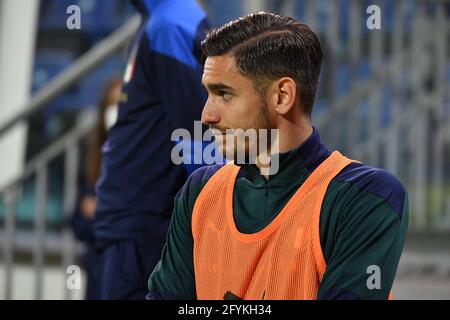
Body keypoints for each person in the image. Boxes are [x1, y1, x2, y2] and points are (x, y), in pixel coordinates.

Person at [147, 12, 409, 300]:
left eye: (224, 94)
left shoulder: (365, 196)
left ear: (283, 96)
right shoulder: (199, 191)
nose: (206, 115)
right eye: (208, 94)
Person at [94, 0, 210, 299]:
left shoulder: (170, 26)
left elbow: (198, 134)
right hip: (134, 220)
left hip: (144, 222)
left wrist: (220, 210)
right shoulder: (160, 21)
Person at [71, 77, 122, 300]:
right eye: (111, 104)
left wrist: (100, 211)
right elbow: (78, 222)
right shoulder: (96, 160)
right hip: (96, 269)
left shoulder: (141, 161)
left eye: (122, 103)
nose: (116, 111)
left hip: (124, 269)